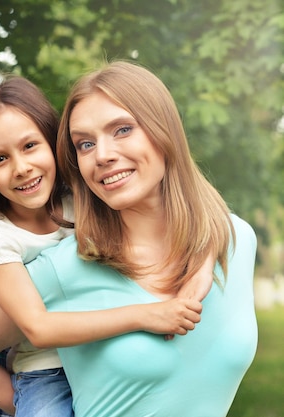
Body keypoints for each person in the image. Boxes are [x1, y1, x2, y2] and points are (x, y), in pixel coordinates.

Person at [0, 75, 211, 416]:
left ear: (55, 144)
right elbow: (37, 329)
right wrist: (148, 315)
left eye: (29, 146)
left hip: (104, 353)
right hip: (47, 372)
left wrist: (196, 285)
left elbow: (201, 225)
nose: (21, 168)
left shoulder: (82, 200)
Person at [24, 61, 258, 416]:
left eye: (121, 129)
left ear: (164, 130)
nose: (101, 155)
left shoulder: (237, 238)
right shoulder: (59, 268)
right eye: (85, 144)